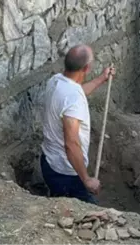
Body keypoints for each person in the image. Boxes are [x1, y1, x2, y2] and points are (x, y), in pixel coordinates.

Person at [40, 45, 115, 204]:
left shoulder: (55, 81)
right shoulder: (73, 99)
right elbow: (71, 144)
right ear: (86, 68)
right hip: (66, 173)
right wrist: (86, 179)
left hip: (48, 161)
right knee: (89, 212)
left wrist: (101, 78)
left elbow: (75, 93)